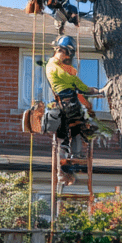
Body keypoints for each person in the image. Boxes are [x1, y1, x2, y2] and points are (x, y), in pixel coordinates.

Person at [43, 36, 106, 184]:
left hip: (70, 105)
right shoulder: (53, 66)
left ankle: (72, 160)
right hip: (66, 105)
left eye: (68, 55)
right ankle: (65, 168)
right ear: (60, 50)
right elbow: (74, 82)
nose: (66, 57)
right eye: (66, 53)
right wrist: (95, 90)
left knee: (77, 130)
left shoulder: (59, 67)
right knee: (67, 137)